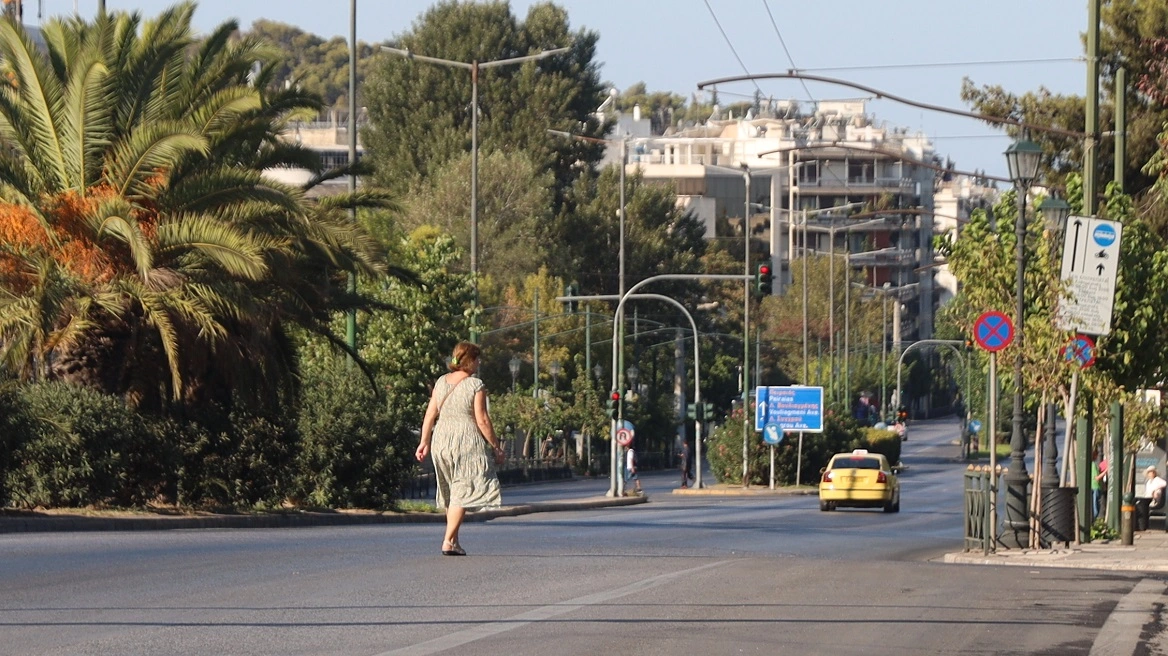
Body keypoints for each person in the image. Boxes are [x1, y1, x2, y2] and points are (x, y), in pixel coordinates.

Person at [416, 342, 503, 556]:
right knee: (462, 492)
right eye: (477, 359)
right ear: (470, 361)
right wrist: (495, 445)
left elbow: (430, 415)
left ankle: (454, 541)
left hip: (441, 440)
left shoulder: (440, 382)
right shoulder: (475, 385)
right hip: (466, 441)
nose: (479, 363)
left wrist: (424, 441)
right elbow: (482, 419)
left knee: (451, 492)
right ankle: (447, 541)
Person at [1137, 466, 1167, 531]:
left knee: (1144, 504)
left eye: (1153, 472)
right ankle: (1143, 524)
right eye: (1150, 472)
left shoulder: (1157, 479)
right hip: (1148, 497)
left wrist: (1156, 489)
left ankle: (1144, 524)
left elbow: (1164, 483)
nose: (1151, 474)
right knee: (1140, 503)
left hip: (1154, 498)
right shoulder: (1148, 482)